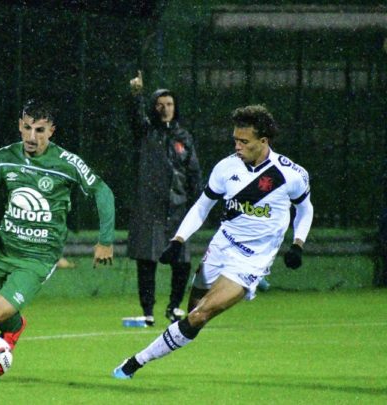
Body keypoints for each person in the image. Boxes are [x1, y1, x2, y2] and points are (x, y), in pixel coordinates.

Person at [113, 104, 313, 379]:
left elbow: (305, 209)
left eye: (244, 141)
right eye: (235, 140)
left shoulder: (291, 174)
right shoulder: (226, 167)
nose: (238, 146)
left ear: (263, 141)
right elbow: (202, 206)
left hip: (251, 260)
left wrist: (298, 244)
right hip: (221, 246)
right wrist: (178, 240)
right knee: (194, 312)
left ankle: (136, 361)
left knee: (199, 315)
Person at [0, 99, 115, 378]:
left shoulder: (66, 163)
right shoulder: (6, 156)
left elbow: (103, 192)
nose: (32, 137)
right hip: (2, 247)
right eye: (28, 128)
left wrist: (105, 241)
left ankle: (14, 326)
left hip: (38, 256)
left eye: (40, 130)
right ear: (20, 126)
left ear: (51, 131)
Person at [125, 70, 202, 327]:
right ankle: (147, 311)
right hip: (150, 207)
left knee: (182, 262)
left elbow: (193, 172)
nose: (165, 109)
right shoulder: (147, 133)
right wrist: (137, 94)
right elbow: (136, 119)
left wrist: (198, 205)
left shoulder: (184, 137)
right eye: (160, 105)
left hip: (178, 208)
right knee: (147, 261)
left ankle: (174, 307)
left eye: (169, 104)